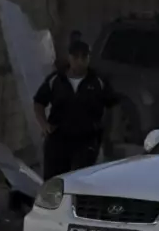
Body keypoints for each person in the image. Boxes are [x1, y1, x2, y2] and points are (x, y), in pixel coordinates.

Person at [33, 40, 119, 180]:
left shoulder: (98, 81)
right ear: (69, 58)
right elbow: (38, 102)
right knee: (54, 183)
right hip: (57, 138)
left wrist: (109, 133)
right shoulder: (56, 79)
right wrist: (44, 125)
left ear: (88, 58)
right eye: (75, 57)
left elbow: (112, 105)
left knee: (80, 181)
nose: (79, 61)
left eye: (83, 57)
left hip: (86, 140)